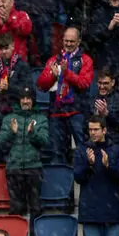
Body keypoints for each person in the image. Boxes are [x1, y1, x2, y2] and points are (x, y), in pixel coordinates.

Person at [74, 115, 119, 236]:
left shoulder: (116, 149)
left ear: (104, 130)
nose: (92, 132)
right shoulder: (82, 149)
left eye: (96, 129)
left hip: (112, 205)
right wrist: (89, 165)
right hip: (90, 206)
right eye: (90, 129)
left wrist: (108, 166)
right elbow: (77, 177)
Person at [36, 27, 93, 163]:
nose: (68, 44)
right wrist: (52, 76)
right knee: (58, 152)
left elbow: (84, 83)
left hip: (78, 111)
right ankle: (61, 176)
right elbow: (41, 85)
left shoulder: (85, 60)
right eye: (66, 41)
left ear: (79, 41)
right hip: (57, 112)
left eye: (72, 41)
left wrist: (66, 73)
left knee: (83, 149)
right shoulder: (54, 60)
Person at [0, 87, 46, 220]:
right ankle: (17, 234)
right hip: (14, 169)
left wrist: (32, 133)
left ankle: (35, 234)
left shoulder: (41, 119)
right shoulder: (9, 119)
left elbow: (44, 141)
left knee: (36, 208)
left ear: (33, 100)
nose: (25, 101)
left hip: (33, 168)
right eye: (23, 98)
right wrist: (12, 133)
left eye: (28, 98)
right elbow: (1, 143)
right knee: (16, 209)